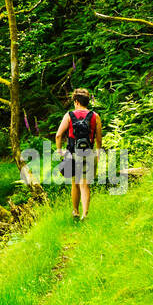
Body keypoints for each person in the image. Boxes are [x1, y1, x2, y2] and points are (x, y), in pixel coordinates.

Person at [55, 88, 101, 222]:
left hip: (72, 153)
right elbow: (98, 138)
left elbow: (58, 135)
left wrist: (59, 151)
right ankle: (85, 215)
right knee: (85, 184)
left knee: (75, 183)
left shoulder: (69, 115)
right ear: (87, 102)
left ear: (76, 102)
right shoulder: (95, 116)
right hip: (88, 152)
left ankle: (75, 211)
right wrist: (98, 152)